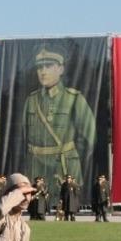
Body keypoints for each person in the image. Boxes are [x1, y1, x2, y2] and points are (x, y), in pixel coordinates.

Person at [22, 44, 97, 192]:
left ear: (61, 69)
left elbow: (90, 138)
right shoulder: (31, 100)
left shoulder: (73, 98)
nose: (43, 72)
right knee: (37, 209)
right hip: (35, 167)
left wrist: (70, 155)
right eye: (39, 67)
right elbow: (24, 138)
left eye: (49, 66)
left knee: (66, 206)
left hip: (63, 167)